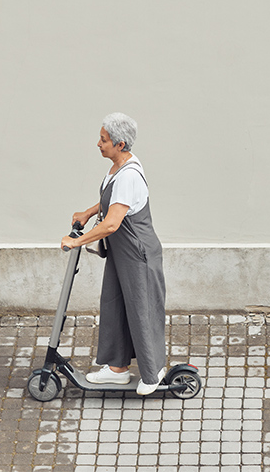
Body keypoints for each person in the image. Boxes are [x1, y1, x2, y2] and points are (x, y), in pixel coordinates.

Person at [60, 112, 167, 395]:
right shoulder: (119, 168)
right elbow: (111, 201)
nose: (98, 143)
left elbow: (112, 223)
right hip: (122, 253)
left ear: (120, 144)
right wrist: (87, 212)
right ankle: (117, 369)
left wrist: (77, 241)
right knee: (115, 304)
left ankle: (152, 372)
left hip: (137, 253)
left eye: (104, 139)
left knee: (141, 309)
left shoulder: (129, 175)